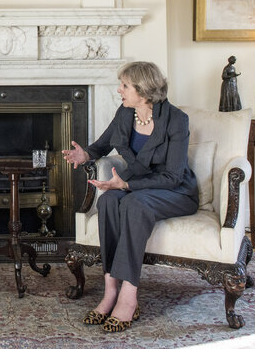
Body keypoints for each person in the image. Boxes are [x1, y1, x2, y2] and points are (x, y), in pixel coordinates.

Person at [62, 61, 199, 333]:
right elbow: (100, 145)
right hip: (136, 186)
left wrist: (125, 184)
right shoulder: (125, 114)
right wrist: (84, 155)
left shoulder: (176, 120)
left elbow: (173, 176)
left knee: (133, 202)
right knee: (108, 201)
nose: (119, 90)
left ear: (144, 90)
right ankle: (111, 289)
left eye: (125, 85)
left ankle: (129, 294)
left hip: (175, 191)